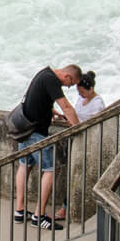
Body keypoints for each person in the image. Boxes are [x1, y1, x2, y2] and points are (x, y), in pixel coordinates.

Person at [13, 64, 83, 228]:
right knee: (52, 168)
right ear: (67, 76)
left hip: (24, 129)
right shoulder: (52, 80)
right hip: (36, 132)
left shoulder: (43, 74)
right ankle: (39, 216)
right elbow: (66, 106)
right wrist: (78, 128)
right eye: (71, 84)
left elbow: (36, 99)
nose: (69, 87)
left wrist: (52, 112)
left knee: (25, 165)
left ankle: (20, 211)